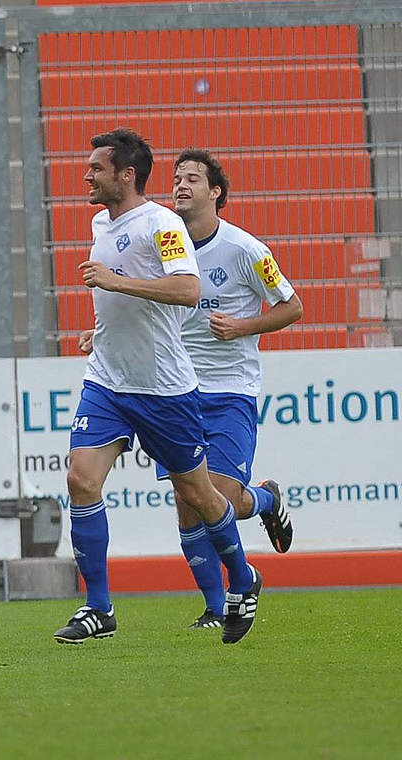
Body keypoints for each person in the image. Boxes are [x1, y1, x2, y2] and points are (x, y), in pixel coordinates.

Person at [55, 128, 262, 646]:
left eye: (96, 168)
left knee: (199, 494)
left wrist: (114, 281)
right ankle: (98, 607)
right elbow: (121, 305)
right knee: (81, 480)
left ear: (126, 175)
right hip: (107, 380)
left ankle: (243, 578)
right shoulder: (101, 221)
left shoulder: (164, 225)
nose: (86, 176)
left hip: (164, 388)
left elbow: (189, 290)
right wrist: (99, 331)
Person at [83, 148, 301, 629]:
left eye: (193, 180)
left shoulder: (246, 251)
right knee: (189, 503)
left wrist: (242, 327)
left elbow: (293, 308)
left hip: (229, 389)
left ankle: (264, 499)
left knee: (221, 494)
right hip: (176, 387)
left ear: (215, 192)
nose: (181, 186)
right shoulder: (164, 243)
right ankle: (214, 606)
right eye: (177, 178)